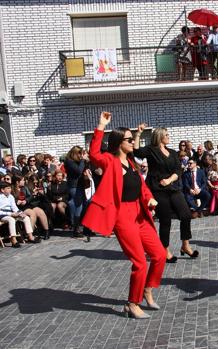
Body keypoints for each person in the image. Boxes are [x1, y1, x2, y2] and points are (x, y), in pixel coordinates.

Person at [82, 112, 166, 319]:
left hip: (140, 214)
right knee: (139, 262)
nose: (133, 142)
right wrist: (101, 125)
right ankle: (132, 304)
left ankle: (147, 289)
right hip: (122, 216)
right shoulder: (109, 161)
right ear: (119, 142)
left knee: (160, 255)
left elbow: (141, 187)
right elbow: (93, 154)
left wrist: (150, 198)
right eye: (129, 139)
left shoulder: (132, 162)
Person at [133, 124, 198, 262]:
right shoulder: (151, 150)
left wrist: (169, 180)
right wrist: (138, 134)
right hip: (158, 189)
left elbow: (178, 170)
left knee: (186, 215)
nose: (169, 137)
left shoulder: (173, 152)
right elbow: (137, 152)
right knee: (165, 220)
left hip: (172, 187)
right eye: (166, 135)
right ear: (160, 137)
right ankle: (165, 250)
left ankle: (185, 245)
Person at [0, 181, 40, 247]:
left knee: (26, 217)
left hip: (12, 213)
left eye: (10, 188)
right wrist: (10, 214)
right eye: (8, 188)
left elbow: (14, 208)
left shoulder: (10, 196)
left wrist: (20, 213)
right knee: (11, 220)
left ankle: (30, 236)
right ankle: (13, 239)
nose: (10, 190)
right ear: (2, 190)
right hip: (3, 215)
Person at [64, 146, 86, 237]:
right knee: (78, 206)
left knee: (80, 206)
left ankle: (78, 227)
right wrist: (82, 160)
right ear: (75, 153)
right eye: (79, 153)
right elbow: (78, 171)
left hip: (80, 186)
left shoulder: (75, 162)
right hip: (74, 186)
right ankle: (76, 228)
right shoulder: (69, 161)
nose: (81, 155)